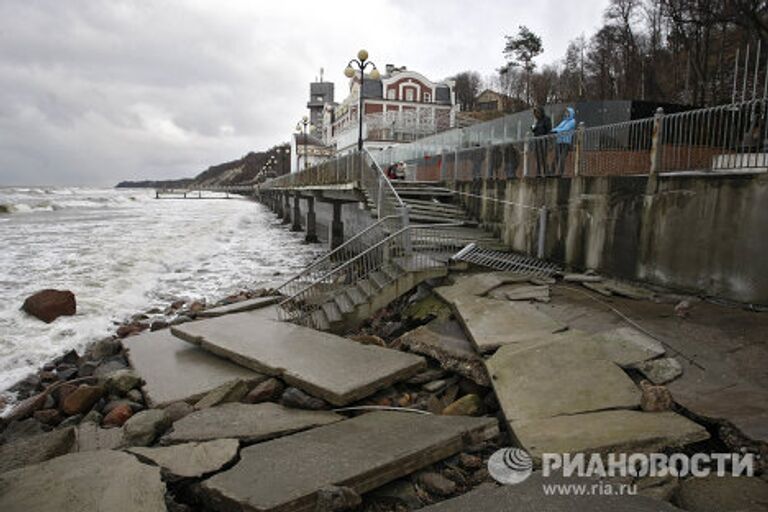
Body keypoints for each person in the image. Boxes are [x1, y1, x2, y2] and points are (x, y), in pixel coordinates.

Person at [552, 107, 576, 176]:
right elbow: (558, 127)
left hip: (566, 142)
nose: (566, 114)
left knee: (562, 158)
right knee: (556, 157)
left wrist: (556, 131)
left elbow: (565, 129)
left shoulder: (572, 121)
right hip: (559, 141)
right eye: (566, 112)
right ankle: (552, 172)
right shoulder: (563, 121)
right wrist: (552, 130)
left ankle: (560, 173)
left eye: (568, 112)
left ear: (571, 113)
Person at [531, 106, 552, 177]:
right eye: (535, 113)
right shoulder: (537, 121)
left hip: (543, 140)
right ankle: (539, 172)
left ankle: (546, 172)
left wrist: (548, 138)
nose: (536, 115)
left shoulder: (546, 119)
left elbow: (548, 129)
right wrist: (533, 128)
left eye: (537, 112)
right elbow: (535, 131)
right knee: (537, 157)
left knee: (543, 157)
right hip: (537, 141)